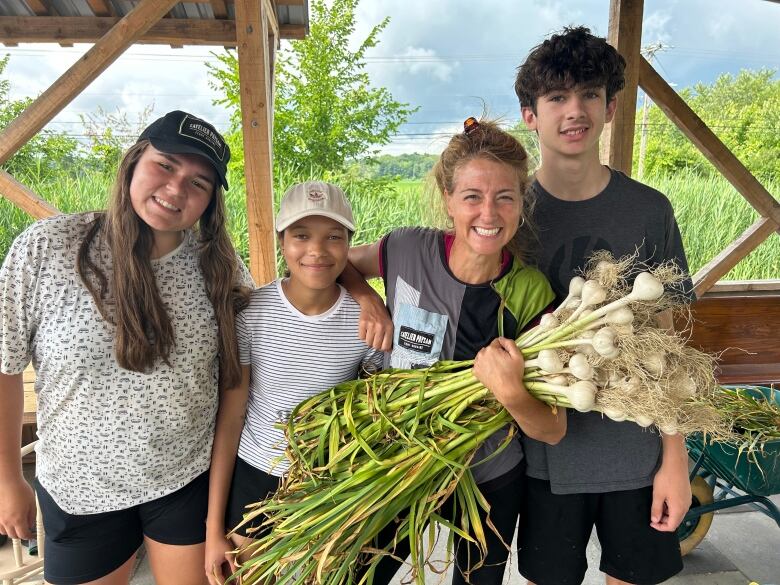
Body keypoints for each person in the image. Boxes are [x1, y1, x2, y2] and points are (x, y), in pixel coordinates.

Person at [0, 110, 252, 585]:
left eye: (199, 183)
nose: (177, 189)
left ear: (211, 202)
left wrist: (360, 293)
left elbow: (262, 342)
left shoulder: (217, 266)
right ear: (133, 161)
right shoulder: (49, 247)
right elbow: (4, 364)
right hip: (80, 486)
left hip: (185, 478)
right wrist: (7, 477)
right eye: (166, 165)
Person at [508, 26, 692, 585]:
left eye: (589, 94)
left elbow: (672, 344)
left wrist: (675, 459)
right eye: (557, 97)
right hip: (541, 457)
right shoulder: (506, 215)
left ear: (610, 107)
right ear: (530, 115)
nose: (575, 110)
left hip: (634, 453)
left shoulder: (647, 210)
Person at [345, 118, 566, 585]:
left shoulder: (529, 292)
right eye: (472, 196)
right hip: (396, 461)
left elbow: (551, 429)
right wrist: (368, 299)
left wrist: (511, 393)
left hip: (489, 474)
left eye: (504, 196)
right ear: (448, 199)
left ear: (521, 202)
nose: (489, 213)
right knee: (359, 577)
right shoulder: (405, 250)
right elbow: (340, 262)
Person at [204, 181, 383, 585]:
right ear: (283, 242)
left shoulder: (367, 322)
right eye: (301, 236)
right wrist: (213, 528)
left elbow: (372, 407)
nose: (317, 251)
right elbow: (231, 417)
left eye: (333, 237)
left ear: (349, 243)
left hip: (327, 481)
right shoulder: (251, 312)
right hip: (256, 474)